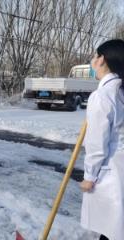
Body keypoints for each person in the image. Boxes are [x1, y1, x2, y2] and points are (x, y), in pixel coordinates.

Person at [80, 39, 124, 240]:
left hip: (113, 171)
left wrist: (89, 176)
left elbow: (97, 145)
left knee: (112, 228)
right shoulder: (120, 91)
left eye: (95, 56)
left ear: (102, 60)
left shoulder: (103, 95)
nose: (92, 61)